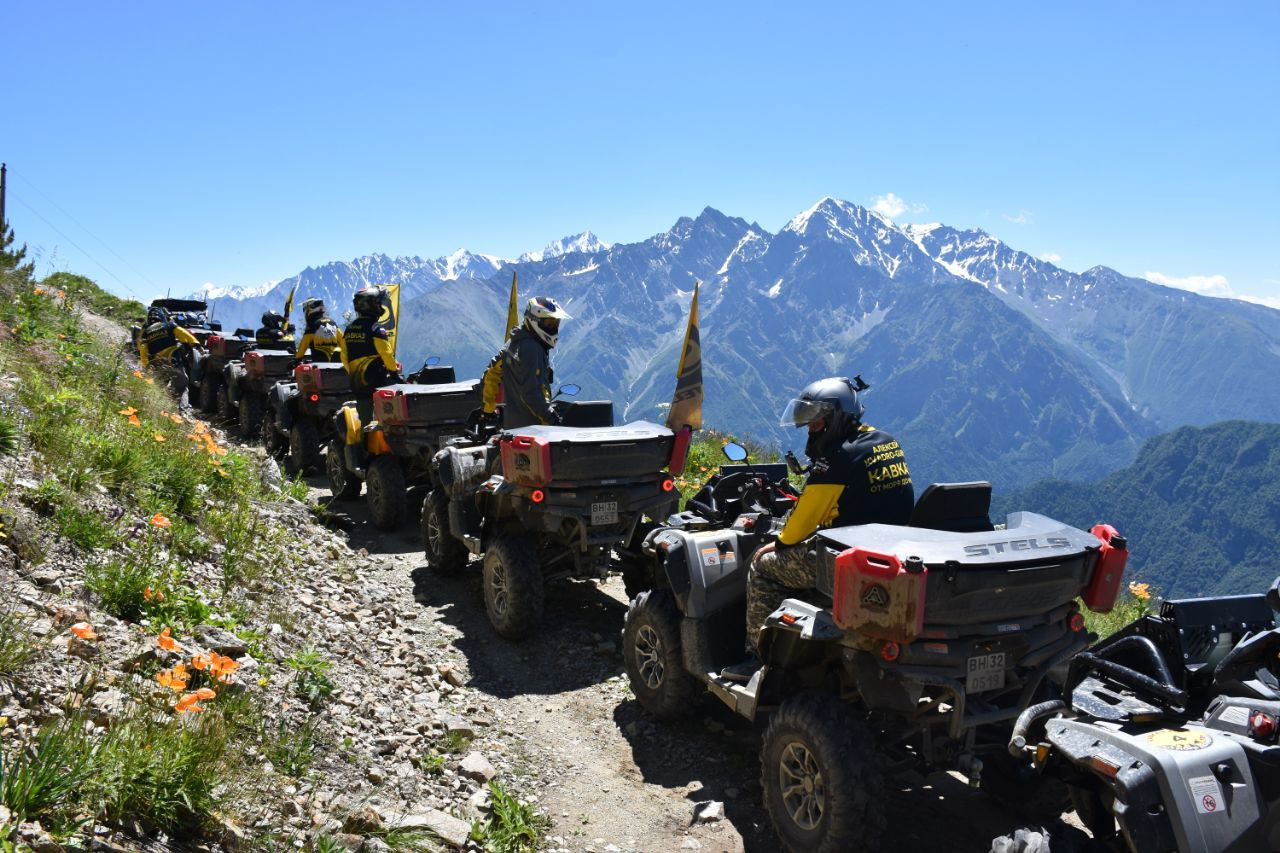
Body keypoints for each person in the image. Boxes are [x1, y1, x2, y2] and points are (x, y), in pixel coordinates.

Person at [744, 377, 915, 647]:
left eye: (816, 423)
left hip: (847, 559)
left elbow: (799, 526)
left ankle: (759, 651)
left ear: (836, 418)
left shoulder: (837, 459)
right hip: (892, 550)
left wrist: (777, 544)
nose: (811, 431)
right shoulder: (887, 442)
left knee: (762, 566)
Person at [480, 296, 572, 428]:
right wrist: (553, 420)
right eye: (548, 323)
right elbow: (531, 393)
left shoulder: (514, 340)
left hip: (512, 427)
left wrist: (488, 409)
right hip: (534, 429)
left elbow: (491, 372)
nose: (553, 327)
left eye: (555, 323)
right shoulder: (532, 348)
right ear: (533, 320)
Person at [339, 284, 402, 423]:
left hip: (356, 382)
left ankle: (363, 436)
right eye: (379, 303)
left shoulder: (349, 329)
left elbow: (344, 356)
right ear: (371, 305)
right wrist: (394, 373)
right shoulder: (376, 328)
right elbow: (386, 354)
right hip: (377, 381)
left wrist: (353, 372)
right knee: (388, 418)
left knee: (365, 419)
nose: (381, 307)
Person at [138, 306, 202, 408]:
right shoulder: (169, 325)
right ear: (162, 316)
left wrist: (146, 365)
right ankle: (182, 409)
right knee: (182, 386)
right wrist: (196, 344)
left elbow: (142, 348)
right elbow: (184, 334)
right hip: (173, 361)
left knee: (158, 388)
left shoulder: (145, 331)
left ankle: (160, 409)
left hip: (156, 364)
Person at [293, 298, 342, 362]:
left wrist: (297, 360)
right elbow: (343, 341)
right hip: (335, 363)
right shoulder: (332, 322)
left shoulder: (312, 324)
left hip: (319, 363)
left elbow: (303, 345)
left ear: (310, 309)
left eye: (305, 309)